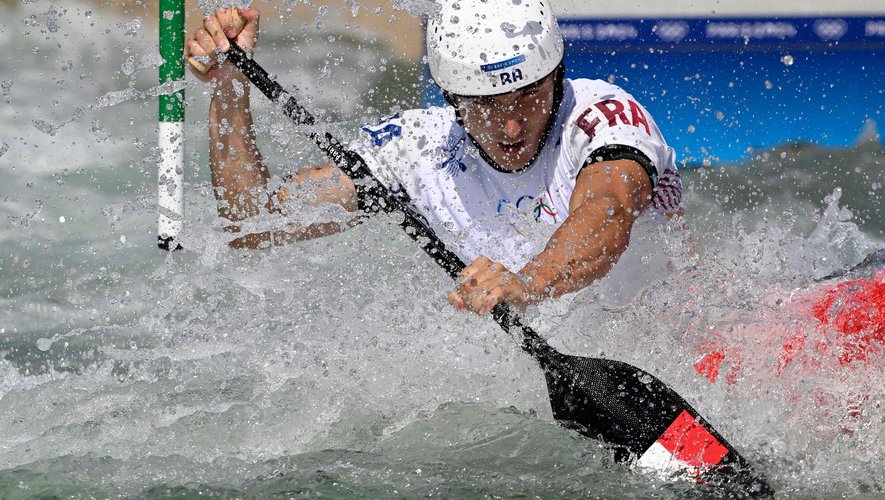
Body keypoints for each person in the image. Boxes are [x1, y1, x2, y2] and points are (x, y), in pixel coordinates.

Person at [185, 1, 683, 316]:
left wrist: (528, 283)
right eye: (485, 105)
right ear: (450, 96)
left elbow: (608, 211)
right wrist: (231, 89)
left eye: (528, 96)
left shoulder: (605, 118)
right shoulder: (417, 146)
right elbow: (252, 223)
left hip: (678, 330)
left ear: (557, 75)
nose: (510, 126)